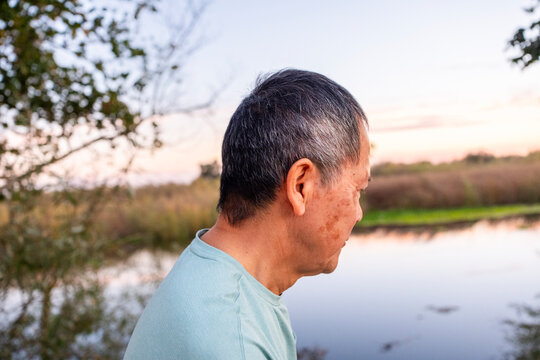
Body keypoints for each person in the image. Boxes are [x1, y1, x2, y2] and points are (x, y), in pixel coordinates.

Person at [124, 69, 371, 359]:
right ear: (300, 185)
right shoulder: (231, 341)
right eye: (357, 190)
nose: (358, 214)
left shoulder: (214, 276)